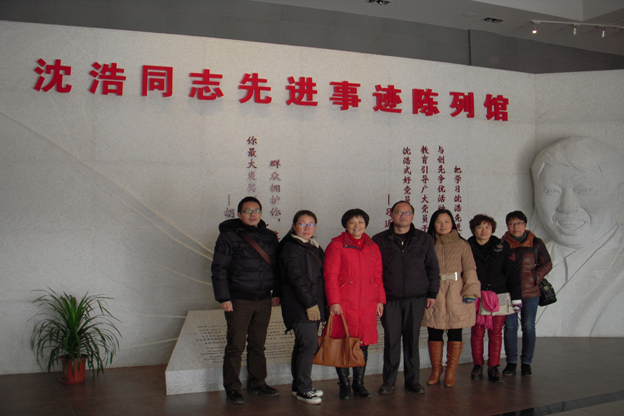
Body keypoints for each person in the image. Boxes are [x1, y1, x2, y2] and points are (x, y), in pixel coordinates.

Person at [532, 137, 624, 336]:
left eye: (584, 190)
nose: (566, 207)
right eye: (552, 191)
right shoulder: (528, 255)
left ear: (619, 195)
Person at [211, 196, 280, 405]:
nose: (253, 214)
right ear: (239, 214)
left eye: (256, 210)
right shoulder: (228, 237)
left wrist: (276, 291)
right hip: (239, 299)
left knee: (258, 344)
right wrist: (223, 297)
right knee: (236, 345)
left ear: (261, 213)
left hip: (264, 298)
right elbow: (219, 268)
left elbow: (277, 267)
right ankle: (232, 387)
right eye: (248, 211)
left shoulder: (269, 236)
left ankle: (258, 382)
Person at [372, 201, 440, 395]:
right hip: (389, 299)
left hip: (416, 298)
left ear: (413, 216)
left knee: (412, 340)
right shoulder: (379, 240)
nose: (403, 216)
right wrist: (377, 298)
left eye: (407, 212)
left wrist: (432, 293)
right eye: (399, 212)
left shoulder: (424, 239)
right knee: (391, 340)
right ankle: (389, 381)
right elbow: (374, 272)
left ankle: (413, 381)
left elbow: (432, 267)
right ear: (391, 214)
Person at [324, 209, 386, 399]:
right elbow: (330, 276)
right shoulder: (336, 245)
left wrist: (380, 300)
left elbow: (378, 276)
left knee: (363, 343)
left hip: (367, 302)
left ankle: (359, 383)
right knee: (343, 342)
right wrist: (334, 302)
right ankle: (344, 384)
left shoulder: (373, 246)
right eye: (352, 222)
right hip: (345, 303)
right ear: (345, 225)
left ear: (366, 224)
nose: (356, 226)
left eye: (360, 222)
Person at [422, 209, 480, 388]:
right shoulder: (427, 243)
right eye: (439, 222)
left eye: (447, 221)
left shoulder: (462, 244)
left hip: (457, 292)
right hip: (434, 292)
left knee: (455, 331)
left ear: (453, 224)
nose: (443, 225)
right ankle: (436, 370)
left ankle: (450, 372)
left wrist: (471, 291)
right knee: (434, 331)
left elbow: (469, 269)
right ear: (433, 224)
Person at [277, 210, 326, 405]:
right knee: (309, 345)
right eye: (302, 224)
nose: (307, 228)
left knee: (302, 345)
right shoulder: (292, 247)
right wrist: (310, 304)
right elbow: (297, 278)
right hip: (300, 305)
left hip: (310, 303)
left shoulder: (312, 246)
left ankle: (298, 387)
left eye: (311, 224)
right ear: (294, 226)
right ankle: (305, 389)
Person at [467, 214, 521, 383]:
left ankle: (494, 366)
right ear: (473, 229)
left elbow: (511, 273)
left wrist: (516, 297)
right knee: (477, 332)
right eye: (480, 227)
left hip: (499, 295)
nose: (484, 231)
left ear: (493, 229)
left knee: (496, 332)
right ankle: (477, 365)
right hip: (476, 295)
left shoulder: (502, 246)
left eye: (488, 227)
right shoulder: (467, 247)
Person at [501, 211, 552, 378]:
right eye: (511, 223)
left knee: (528, 326)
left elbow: (547, 263)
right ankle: (511, 362)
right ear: (507, 226)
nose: (515, 227)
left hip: (531, 292)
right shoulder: (502, 244)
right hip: (508, 292)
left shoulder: (536, 243)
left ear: (525, 225)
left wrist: (534, 277)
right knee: (510, 327)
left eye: (519, 223)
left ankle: (526, 363)